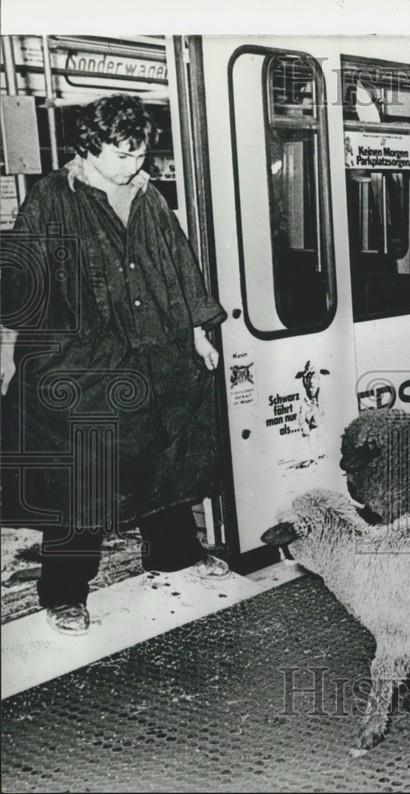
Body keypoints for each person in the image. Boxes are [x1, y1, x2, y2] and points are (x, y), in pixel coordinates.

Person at [0, 94, 229, 636]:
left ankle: (172, 554)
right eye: (122, 155)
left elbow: (177, 264)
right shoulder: (54, 198)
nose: (136, 166)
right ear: (90, 147)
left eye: (140, 154)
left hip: (153, 351)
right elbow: (19, 281)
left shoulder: (147, 196)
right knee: (82, 478)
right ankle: (64, 593)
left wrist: (197, 332)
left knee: (164, 452)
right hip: (85, 364)